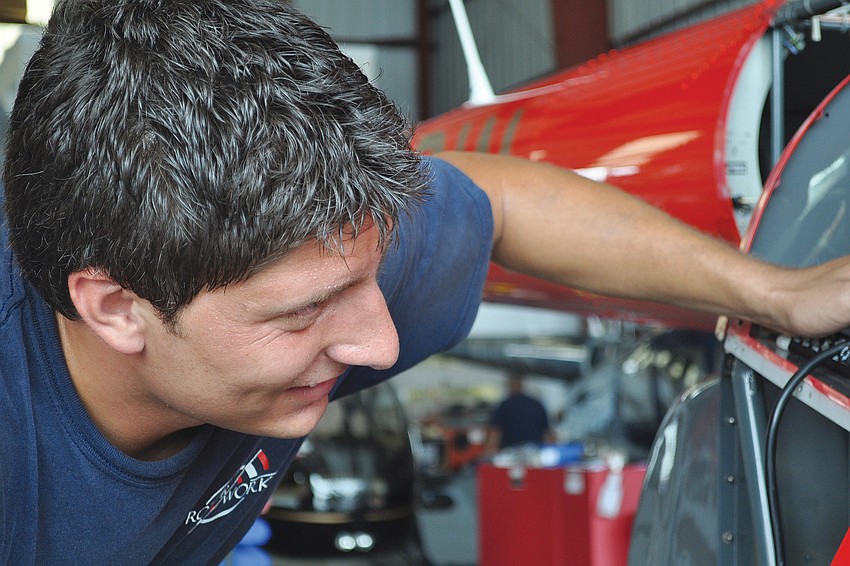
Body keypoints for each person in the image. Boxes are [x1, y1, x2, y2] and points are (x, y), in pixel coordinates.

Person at [3, 0, 850, 563]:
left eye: (369, 278)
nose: (382, 343)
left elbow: (504, 197)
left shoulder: (313, 255)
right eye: (303, 312)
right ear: (115, 308)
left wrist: (778, 294)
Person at [487, 373, 556, 451]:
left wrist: (489, 451)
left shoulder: (505, 405)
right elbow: (548, 433)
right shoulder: (536, 404)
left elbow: (495, 432)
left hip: (510, 451)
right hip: (534, 451)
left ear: (510, 385)